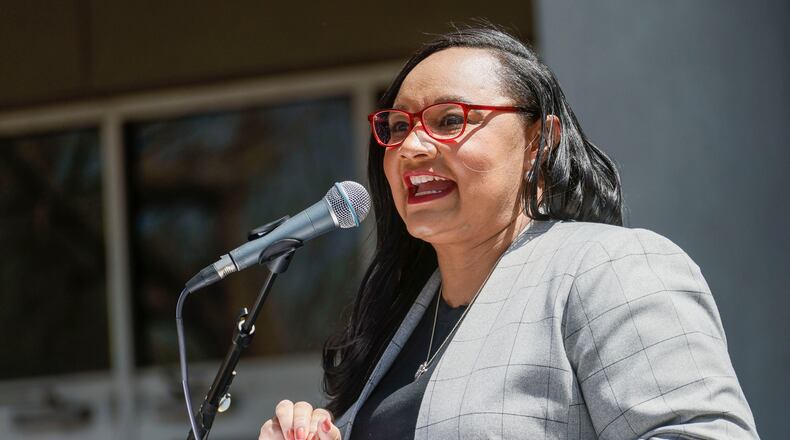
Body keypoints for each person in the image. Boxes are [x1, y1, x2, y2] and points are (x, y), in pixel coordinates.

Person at [258, 26, 758, 440]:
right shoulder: (397, 319)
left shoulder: (608, 267)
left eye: (449, 119)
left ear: (540, 141)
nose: (411, 146)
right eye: (397, 126)